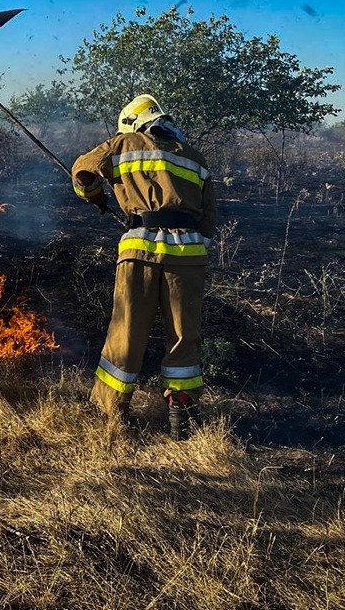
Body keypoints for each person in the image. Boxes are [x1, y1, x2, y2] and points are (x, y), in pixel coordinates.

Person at [71, 94, 216, 438]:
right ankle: (182, 409)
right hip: (188, 253)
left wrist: (96, 197)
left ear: (133, 124)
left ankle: (110, 410)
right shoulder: (195, 157)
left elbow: (83, 171)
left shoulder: (123, 143)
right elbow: (209, 218)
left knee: (127, 330)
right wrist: (195, 249)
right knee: (184, 333)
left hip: (139, 249)